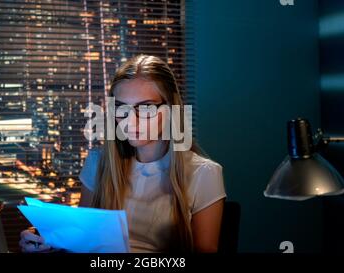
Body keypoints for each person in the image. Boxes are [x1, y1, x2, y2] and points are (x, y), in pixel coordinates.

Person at [19, 55, 226, 253]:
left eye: (145, 108)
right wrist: (47, 240)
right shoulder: (98, 163)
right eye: (121, 108)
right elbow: (81, 239)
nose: (130, 121)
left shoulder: (204, 173)